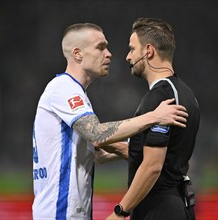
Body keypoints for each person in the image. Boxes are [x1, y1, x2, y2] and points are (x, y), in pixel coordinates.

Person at [32, 22, 189, 220]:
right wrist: (154, 117)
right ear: (78, 54)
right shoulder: (63, 88)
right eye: (100, 47)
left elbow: (98, 152)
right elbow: (96, 133)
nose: (109, 54)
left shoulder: (76, 94)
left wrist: (145, 148)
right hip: (58, 213)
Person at [106, 18, 200, 220]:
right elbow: (165, 156)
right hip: (178, 204)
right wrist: (114, 147)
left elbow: (152, 166)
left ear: (148, 51)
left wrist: (120, 212)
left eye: (132, 49)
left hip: (159, 208)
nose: (127, 57)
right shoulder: (186, 93)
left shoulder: (159, 98)